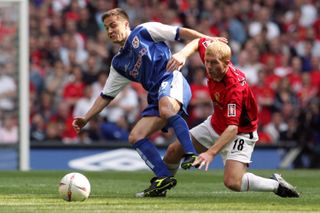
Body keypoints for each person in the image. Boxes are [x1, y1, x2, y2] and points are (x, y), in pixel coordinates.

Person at [72, 8, 226, 197]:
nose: (110, 31)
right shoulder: (119, 63)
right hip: (156, 96)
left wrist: (209, 39)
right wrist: (86, 118)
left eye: (113, 25)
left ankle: (190, 154)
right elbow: (106, 95)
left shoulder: (145, 31)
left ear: (126, 24)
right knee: (135, 136)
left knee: (165, 108)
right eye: (106, 28)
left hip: (172, 80)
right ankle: (163, 177)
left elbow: (180, 33)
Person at [162, 38, 300, 198]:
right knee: (173, 150)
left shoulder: (234, 88)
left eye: (214, 63)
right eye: (207, 62)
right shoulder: (213, 58)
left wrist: (210, 153)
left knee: (233, 182)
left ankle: (276, 185)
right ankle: (160, 188)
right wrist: (182, 55)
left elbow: (233, 128)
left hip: (240, 133)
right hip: (215, 124)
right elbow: (199, 41)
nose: (209, 67)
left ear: (227, 63)